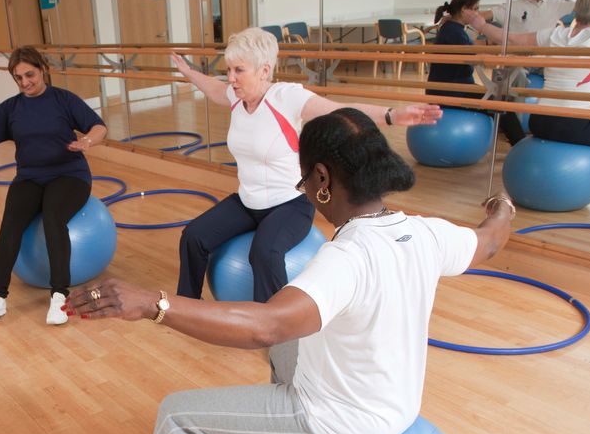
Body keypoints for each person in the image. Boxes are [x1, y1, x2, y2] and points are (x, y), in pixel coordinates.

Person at [64, 108, 515, 434]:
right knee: (287, 343)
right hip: (396, 403)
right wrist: (503, 208)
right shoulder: (426, 233)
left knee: (177, 416)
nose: (307, 193)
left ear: (322, 177)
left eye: (304, 182)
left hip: (338, 420)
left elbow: (266, 325)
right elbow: (490, 239)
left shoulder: (348, 257)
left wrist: (152, 303)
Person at [169, 27, 442, 304]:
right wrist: (188, 71)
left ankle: (274, 325)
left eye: (239, 70)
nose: (230, 78)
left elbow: (339, 111)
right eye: (228, 69)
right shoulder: (235, 98)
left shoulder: (285, 98)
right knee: (193, 236)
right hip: (247, 201)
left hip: (289, 204)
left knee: (264, 253)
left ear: (264, 71)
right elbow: (213, 88)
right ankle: (185, 307)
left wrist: (392, 115)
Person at [0, 46, 108, 325]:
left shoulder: (63, 100)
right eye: (18, 78)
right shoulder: (12, 108)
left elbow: (99, 127)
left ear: (43, 70)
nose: (25, 82)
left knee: (53, 217)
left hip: (69, 174)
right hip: (30, 177)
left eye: (30, 75)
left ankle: (59, 295)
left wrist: (86, 141)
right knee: (10, 223)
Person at [464, 0, 590, 147]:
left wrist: (481, 25)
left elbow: (510, 40)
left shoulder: (555, 34)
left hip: (540, 120)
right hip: (573, 124)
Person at [428, 0, 527, 145]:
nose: (477, 13)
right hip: (451, 91)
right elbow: (474, 55)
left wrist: (490, 46)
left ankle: (515, 138)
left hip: (456, 87)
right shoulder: (452, 30)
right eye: (475, 9)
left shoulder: (453, 28)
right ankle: (520, 143)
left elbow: (471, 47)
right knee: (500, 104)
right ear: (463, 9)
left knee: (499, 100)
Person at [481, 0, 574, 35]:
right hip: (521, 59)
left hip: (547, 58)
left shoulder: (556, 5)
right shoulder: (512, 7)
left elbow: (582, 6)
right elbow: (482, 16)